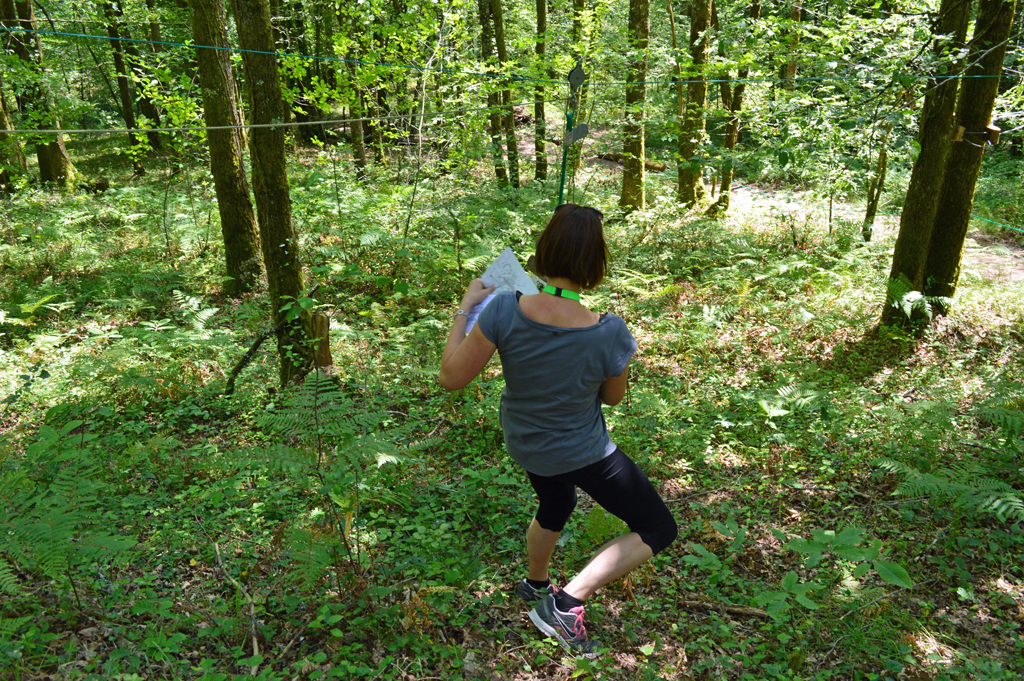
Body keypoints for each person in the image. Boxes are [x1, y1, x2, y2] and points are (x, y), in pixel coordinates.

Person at [439, 204, 677, 657]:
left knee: (557, 500)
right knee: (658, 527)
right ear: (595, 265)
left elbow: (451, 377)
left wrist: (465, 308)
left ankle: (536, 584)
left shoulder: (503, 308)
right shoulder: (609, 331)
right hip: (581, 451)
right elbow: (612, 398)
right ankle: (565, 605)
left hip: (525, 443)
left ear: (543, 252)